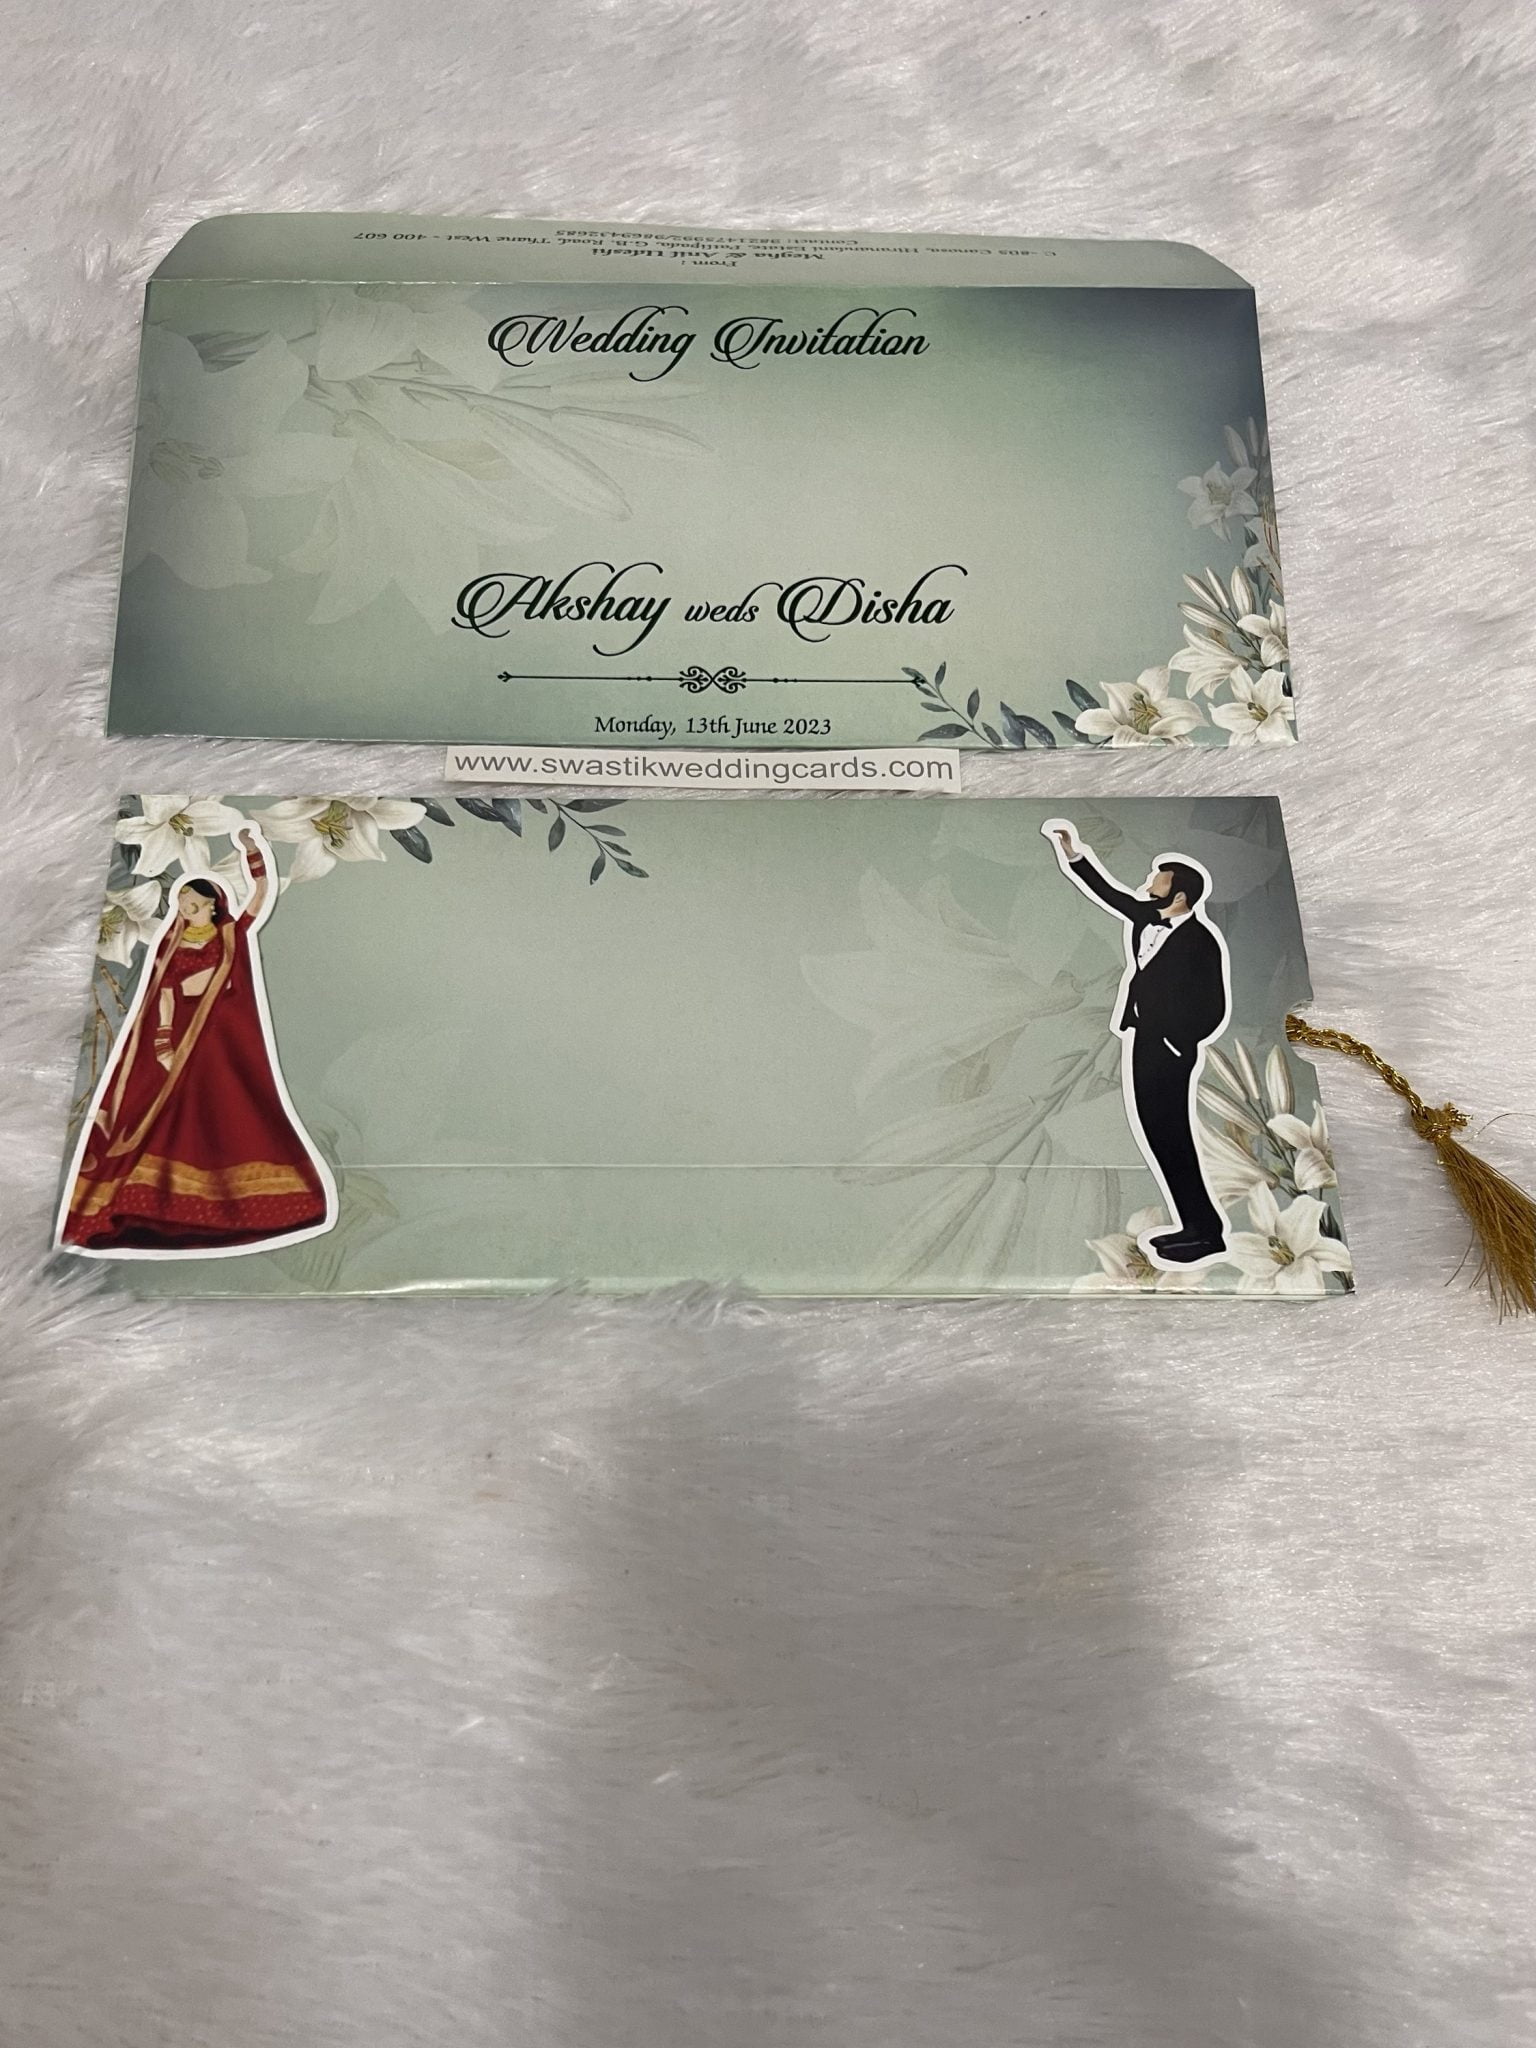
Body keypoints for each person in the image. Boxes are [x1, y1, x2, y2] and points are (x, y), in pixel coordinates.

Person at [58, 826, 335, 1257]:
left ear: (212, 905)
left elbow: (260, 897)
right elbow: (164, 994)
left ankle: (246, 1206)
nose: (186, 911)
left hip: (220, 1042)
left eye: (193, 905)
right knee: (164, 1119)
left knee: (229, 1114)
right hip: (179, 1042)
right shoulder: (171, 944)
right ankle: (150, 1208)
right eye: (183, 905)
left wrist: (253, 854)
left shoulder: (230, 936)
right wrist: (163, 1043)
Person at [1043, 817, 1231, 1267]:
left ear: (1179, 896)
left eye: (1157, 880)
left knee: (1173, 1137)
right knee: (1159, 1138)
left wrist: (1176, 1041)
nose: (1148, 883)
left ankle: (1206, 1233)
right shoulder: (1147, 917)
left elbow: (1214, 1007)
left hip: (1169, 1049)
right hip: (1142, 1039)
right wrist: (1073, 852)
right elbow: (1108, 893)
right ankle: (1196, 1227)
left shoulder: (1202, 941)